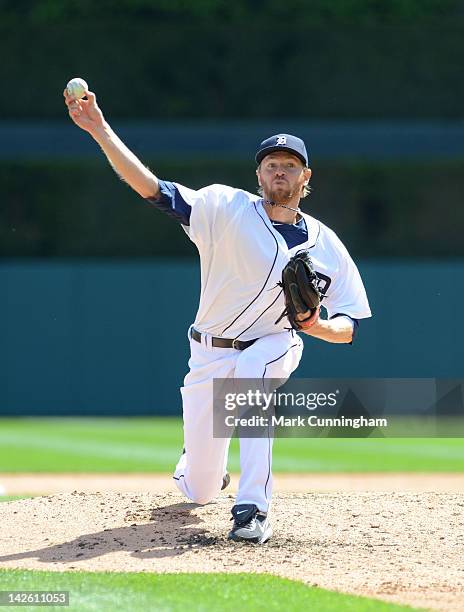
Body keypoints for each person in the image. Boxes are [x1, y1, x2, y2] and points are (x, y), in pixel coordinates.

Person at [64, 86, 372, 544]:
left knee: (254, 373)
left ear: (306, 176)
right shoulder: (225, 208)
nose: (280, 172)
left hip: (274, 343)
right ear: (259, 175)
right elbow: (154, 190)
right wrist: (101, 131)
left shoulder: (328, 245)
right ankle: (199, 461)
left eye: (290, 165)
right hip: (208, 352)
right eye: (272, 165)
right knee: (200, 488)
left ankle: (252, 510)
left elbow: (350, 326)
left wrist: (317, 327)